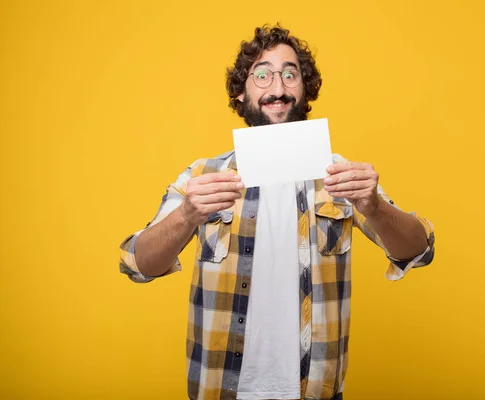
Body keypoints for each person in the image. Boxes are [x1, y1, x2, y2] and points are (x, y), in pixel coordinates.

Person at [119, 24, 435, 400]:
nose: (278, 88)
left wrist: (375, 206)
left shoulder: (338, 174)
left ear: (305, 89)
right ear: (241, 92)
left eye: (290, 74)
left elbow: (419, 251)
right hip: (221, 389)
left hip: (313, 390)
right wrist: (187, 213)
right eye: (262, 74)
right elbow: (137, 264)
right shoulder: (203, 176)